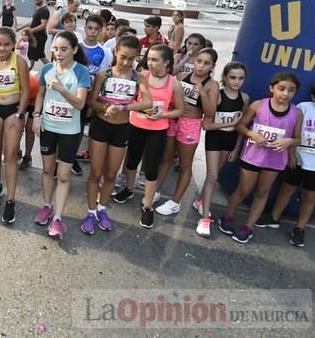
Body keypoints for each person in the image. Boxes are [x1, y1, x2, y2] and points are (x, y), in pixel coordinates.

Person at [219, 73, 302, 244]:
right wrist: (252, 134)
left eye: (291, 90)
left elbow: (298, 138)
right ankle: (227, 216)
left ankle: (248, 227)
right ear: (272, 88)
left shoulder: (296, 113)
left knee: (263, 192)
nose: (285, 93)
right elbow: (240, 126)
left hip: (275, 160)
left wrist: (290, 141)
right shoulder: (258, 105)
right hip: (252, 157)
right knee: (243, 189)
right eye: (281, 88)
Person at [82, 35, 152, 235]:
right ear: (115, 52)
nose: (126, 62)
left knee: (111, 174)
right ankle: (90, 211)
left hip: (122, 129)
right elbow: (92, 101)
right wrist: (105, 107)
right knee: (95, 173)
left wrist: (123, 106)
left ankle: (102, 209)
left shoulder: (138, 77)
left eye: (131, 59)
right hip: (101, 127)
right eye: (123, 57)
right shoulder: (104, 75)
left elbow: (147, 102)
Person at [110, 45, 184, 225]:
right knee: (131, 161)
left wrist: (163, 114)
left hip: (157, 130)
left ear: (166, 62)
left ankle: (147, 206)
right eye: (148, 59)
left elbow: (179, 110)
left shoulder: (174, 83)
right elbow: (132, 98)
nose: (150, 63)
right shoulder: (141, 76)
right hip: (135, 125)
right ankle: (128, 189)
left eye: (155, 60)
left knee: (151, 169)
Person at [33, 32, 91, 239]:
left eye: (64, 49)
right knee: (48, 170)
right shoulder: (48, 69)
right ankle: (47, 206)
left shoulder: (81, 72)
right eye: (55, 49)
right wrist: (36, 115)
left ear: (74, 49)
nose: (58, 53)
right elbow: (40, 94)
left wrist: (61, 88)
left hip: (69, 131)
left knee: (64, 175)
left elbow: (80, 104)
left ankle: (58, 219)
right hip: (48, 127)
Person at [153, 48, 219, 219]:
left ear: (212, 66)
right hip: (174, 120)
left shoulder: (212, 85)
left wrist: (203, 94)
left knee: (184, 165)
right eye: (199, 61)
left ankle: (175, 202)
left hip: (191, 124)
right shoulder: (182, 76)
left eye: (206, 63)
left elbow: (211, 113)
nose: (201, 66)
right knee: (165, 158)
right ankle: (155, 191)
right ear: (194, 61)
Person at [263, 80, 315, 247]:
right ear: (314, 97)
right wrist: (290, 153)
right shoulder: (304, 107)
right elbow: (292, 132)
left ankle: (300, 228)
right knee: (286, 189)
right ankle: (273, 217)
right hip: (298, 158)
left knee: (309, 197)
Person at [0, 27, 30, 224]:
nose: (1, 48)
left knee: (9, 155)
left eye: (6, 44)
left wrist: (20, 114)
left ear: (13, 45)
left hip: (13, 110)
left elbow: (25, 90)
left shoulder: (19, 62)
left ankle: (11, 199)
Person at [195, 62, 248, 237]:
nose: (237, 81)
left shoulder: (244, 98)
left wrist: (237, 147)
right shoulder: (218, 96)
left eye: (241, 78)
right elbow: (206, 125)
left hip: (230, 140)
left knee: (214, 174)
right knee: (213, 176)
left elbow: (240, 127)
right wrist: (230, 123)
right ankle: (204, 220)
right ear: (225, 78)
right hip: (214, 137)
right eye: (233, 77)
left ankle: (200, 201)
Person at [74, 15, 114, 170]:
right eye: (90, 28)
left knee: (81, 127)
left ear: (101, 30)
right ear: (85, 28)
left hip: (91, 96)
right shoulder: (76, 46)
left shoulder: (104, 52)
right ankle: (63, 158)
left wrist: (94, 101)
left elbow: (101, 78)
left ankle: (73, 157)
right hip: (74, 93)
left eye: (96, 29)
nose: (92, 31)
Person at [18, 0, 50, 69]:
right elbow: (32, 23)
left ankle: (25, 74)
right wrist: (21, 27)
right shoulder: (38, 9)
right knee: (39, 56)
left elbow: (43, 25)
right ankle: (53, 70)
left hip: (39, 37)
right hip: (34, 37)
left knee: (33, 57)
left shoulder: (44, 10)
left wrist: (31, 31)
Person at [19, 72, 40, 170]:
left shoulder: (31, 84)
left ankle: (27, 156)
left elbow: (22, 106)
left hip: (35, 100)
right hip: (24, 97)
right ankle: (17, 149)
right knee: (18, 125)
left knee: (29, 128)